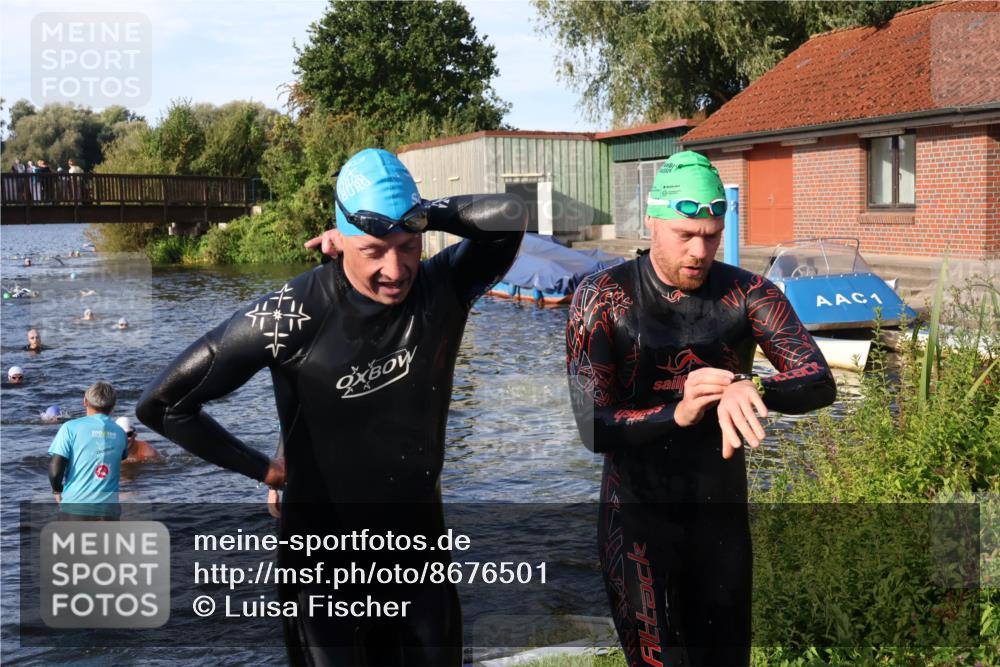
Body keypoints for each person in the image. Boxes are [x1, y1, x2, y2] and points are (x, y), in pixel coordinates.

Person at [137, 147, 526, 665]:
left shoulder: (443, 287)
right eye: (372, 250)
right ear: (338, 239)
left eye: (409, 245)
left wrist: (419, 211)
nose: (396, 269)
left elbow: (509, 219)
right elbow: (163, 406)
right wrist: (266, 470)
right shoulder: (292, 313)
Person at [566, 151, 837, 667]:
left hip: (720, 526)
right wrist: (681, 412)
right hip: (638, 529)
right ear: (653, 221)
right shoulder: (600, 298)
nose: (698, 250)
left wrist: (748, 385)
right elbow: (592, 427)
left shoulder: (748, 292)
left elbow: (818, 381)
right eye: (684, 234)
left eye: (711, 235)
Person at [47, 381, 128, 520]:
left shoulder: (70, 428)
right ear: (113, 405)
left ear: (85, 401)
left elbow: (55, 469)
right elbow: (119, 458)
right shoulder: (121, 432)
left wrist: (57, 490)